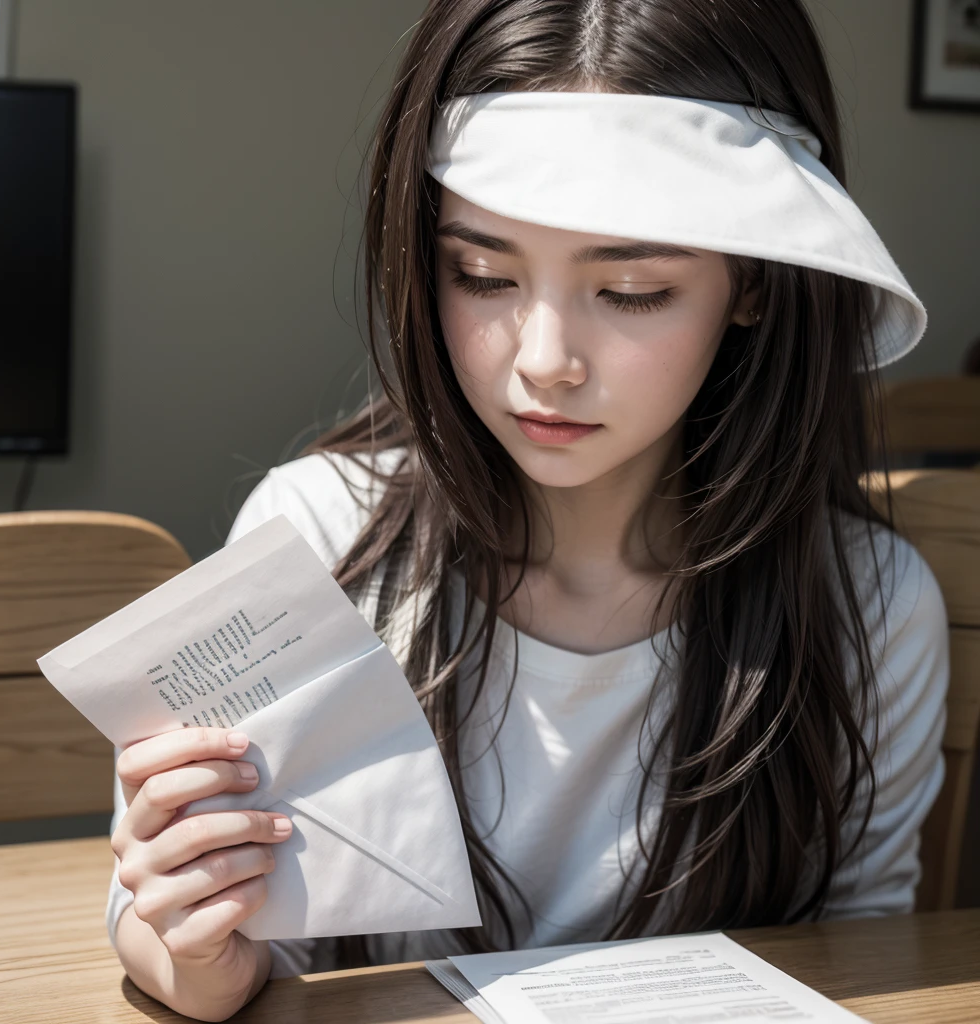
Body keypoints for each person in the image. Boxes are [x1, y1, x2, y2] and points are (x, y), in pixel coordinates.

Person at [104, 1, 949, 1019]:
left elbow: (866, 951)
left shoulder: (867, 603)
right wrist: (197, 946)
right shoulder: (318, 544)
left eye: (632, 288)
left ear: (754, 285)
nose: (544, 360)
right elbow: (191, 944)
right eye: (482, 272)